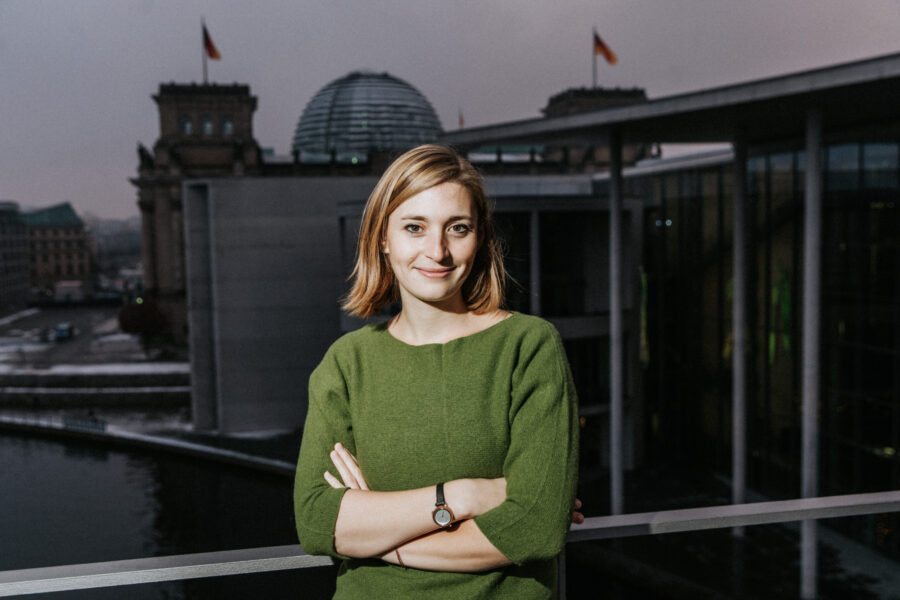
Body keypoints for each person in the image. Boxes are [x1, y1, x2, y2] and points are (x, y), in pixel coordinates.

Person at [293, 144, 580, 599]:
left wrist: (377, 538)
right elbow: (314, 521)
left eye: (458, 228)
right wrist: (461, 497)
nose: (438, 251)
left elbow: (534, 529)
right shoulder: (346, 363)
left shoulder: (528, 346)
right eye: (414, 227)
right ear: (383, 239)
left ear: (480, 238)